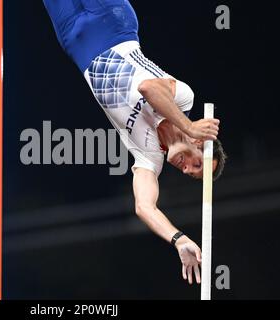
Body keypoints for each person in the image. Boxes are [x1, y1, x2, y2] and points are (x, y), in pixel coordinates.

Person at [43, 0, 227, 285]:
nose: (187, 170)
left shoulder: (149, 156)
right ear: (198, 140)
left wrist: (178, 240)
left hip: (75, 42)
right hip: (112, 23)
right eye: (196, 164)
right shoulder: (184, 99)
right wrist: (188, 124)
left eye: (192, 175)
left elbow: (144, 207)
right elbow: (148, 87)